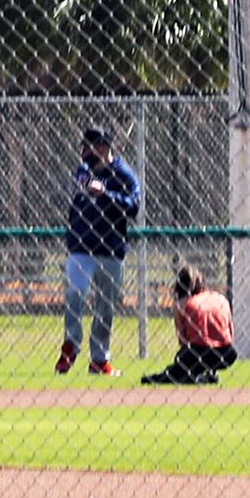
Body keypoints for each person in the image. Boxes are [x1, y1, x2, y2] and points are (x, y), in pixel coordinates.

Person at [58, 122, 142, 376]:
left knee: (105, 307)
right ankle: (71, 345)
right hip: (81, 247)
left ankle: (99, 359)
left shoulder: (124, 174)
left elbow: (134, 207)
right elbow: (80, 187)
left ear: (103, 148)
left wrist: (106, 193)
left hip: (110, 249)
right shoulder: (84, 170)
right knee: (76, 292)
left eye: (89, 148)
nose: (84, 153)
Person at [139, 264, 238, 385]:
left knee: (180, 362)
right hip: (228, 353)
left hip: (199, 351)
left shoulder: (182, 304)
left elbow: (183, 341)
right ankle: (208, 374)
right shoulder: (220, 298)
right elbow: (231, 332)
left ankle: (181, 376)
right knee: (198, 353)